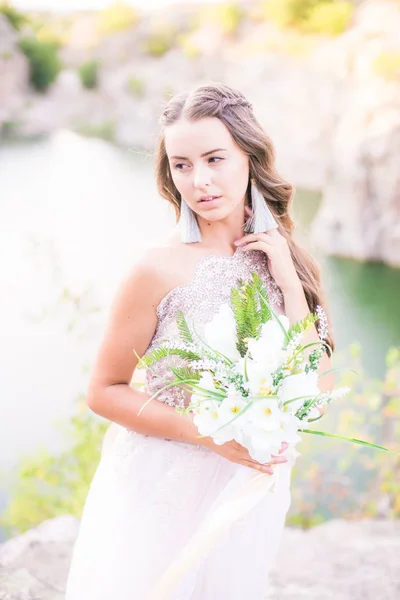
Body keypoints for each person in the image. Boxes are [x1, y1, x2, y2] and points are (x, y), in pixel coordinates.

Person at [65, 83, 334, 600]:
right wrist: (212, 437)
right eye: (182, 165)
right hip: (167, 482)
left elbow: (316, 387)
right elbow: (104, 391)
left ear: (250, 157)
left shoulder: (283, 256)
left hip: (251, 484)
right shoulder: (154, 268)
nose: (200, 181)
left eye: (215, 158)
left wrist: (287, 278)